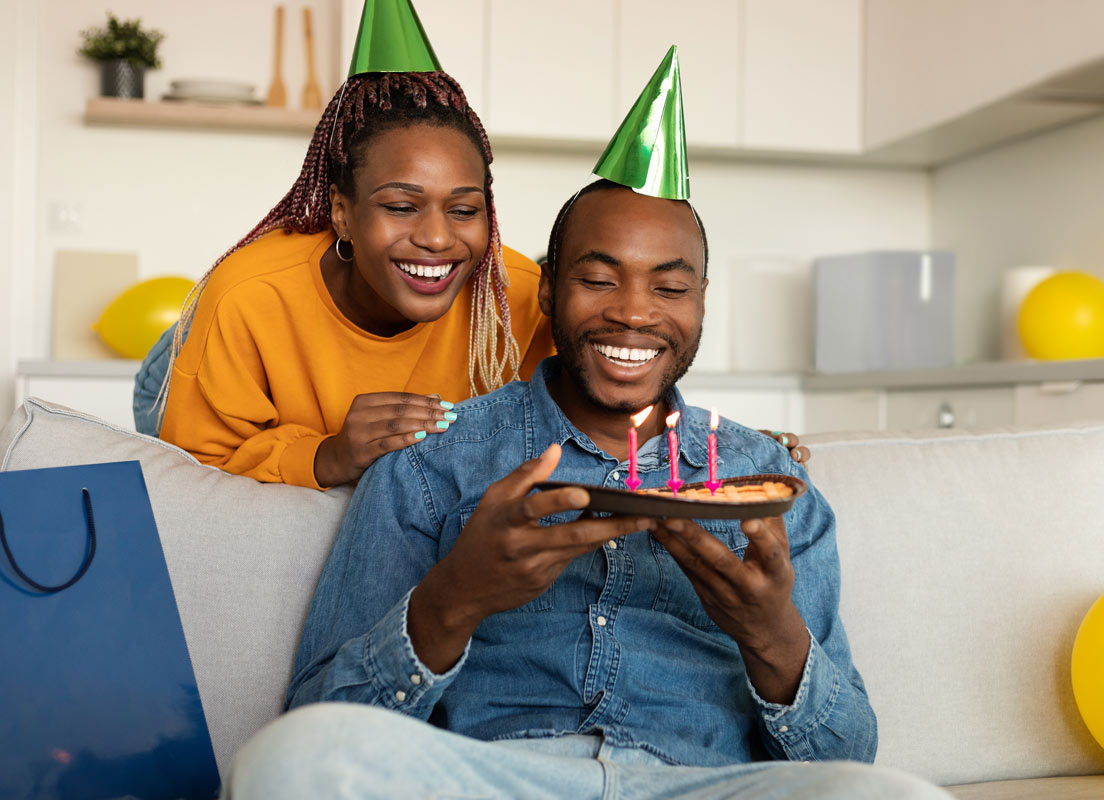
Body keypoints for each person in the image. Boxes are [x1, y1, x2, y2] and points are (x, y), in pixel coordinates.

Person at [221, 51, 948, 799]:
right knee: (294, 760)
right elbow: (318, 717)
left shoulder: (769, 485)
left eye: (670, 287)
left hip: (700, 783)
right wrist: (455, 596)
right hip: (496, 779)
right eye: (598, 279)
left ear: (701, 303)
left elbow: (850, 755)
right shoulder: (431, 464)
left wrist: (771, 635)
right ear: (546, 291)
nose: (633, 311)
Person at [134, 1, 554, 490]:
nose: (438, 238)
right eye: (400, 206)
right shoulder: (247, 294)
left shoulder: (515, 297)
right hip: (194, 361)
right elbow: (194, 471)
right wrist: (328, 454)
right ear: (341, 212)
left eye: (463, 210)